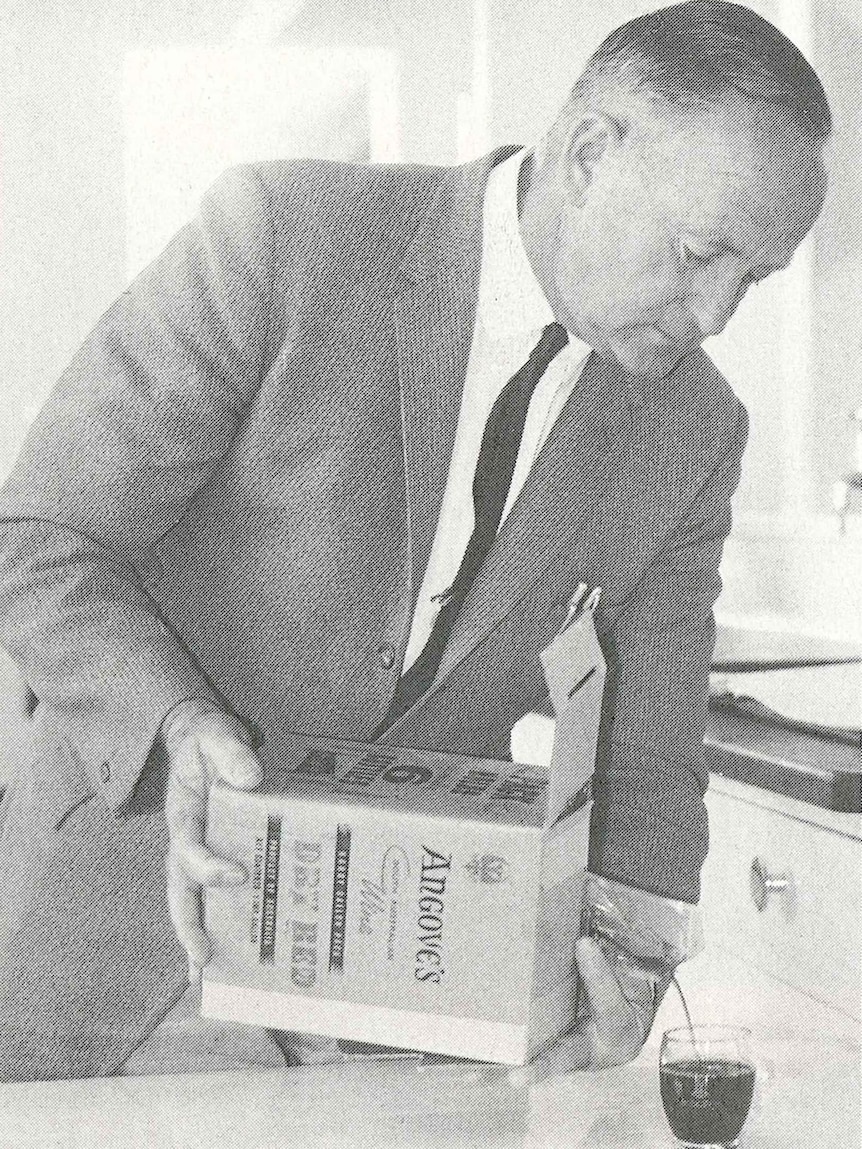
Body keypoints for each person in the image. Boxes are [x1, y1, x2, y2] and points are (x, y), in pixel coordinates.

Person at [0, 1, 830, 1082]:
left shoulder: (694, 428)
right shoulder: (283, 234)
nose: (715, 313)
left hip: (410, 998)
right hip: (125, 923)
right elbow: (42, 536)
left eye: (753, 278)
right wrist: (176, 721)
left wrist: (629, 956)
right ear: (587, 154)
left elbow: (645, 748)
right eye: (699, 253)